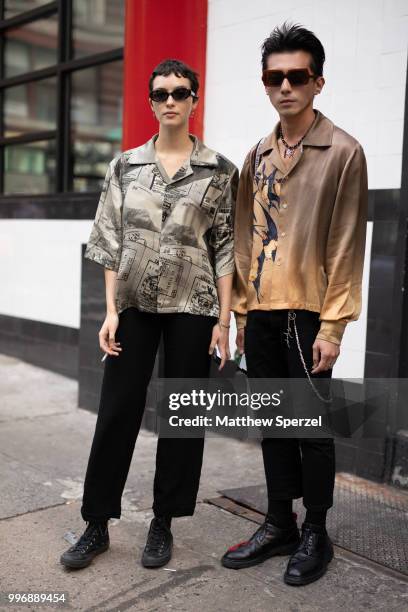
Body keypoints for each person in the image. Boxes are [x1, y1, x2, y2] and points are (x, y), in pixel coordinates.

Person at [60, 58, 238, 570]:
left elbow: (226, 249)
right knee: (117, 410)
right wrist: (109, 310)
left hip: (194, 304)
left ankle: (163, 522)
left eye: (180, 93)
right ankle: (96, 524)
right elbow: (109, 243)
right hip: (134, 305)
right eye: (160, 94)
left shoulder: (220, 172)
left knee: (182, 416)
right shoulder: (124, 167)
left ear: (194, 100)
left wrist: (224, 322)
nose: (170, 102)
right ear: (151, 101)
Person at [222, 23, 367, 586]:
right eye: (274, 77)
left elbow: (347, 244)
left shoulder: (344, 152)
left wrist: (332, 328)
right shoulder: (255, 155)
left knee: (309, 428)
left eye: (296, 76)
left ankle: (316, 531)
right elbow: (241, 238)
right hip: (259, 313)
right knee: (272, 424)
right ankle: (279, 520)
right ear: (265, 84)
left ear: (318, 82)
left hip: (308, 314)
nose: (285, 86)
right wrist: (238, 315)